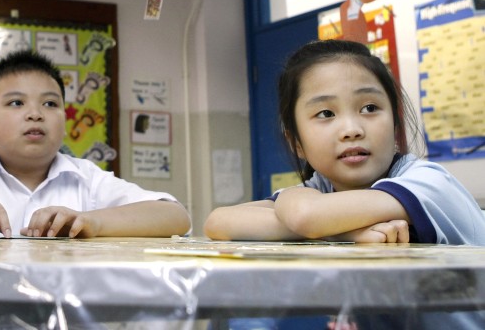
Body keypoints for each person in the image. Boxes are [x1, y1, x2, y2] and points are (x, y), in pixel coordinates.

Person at [205, 39, 485, 244]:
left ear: (395, 123)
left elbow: (306, 215)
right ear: (296, 143)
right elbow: (219, 222)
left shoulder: (429, 183)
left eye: (370, 108)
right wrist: (348, 231)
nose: (351, 130)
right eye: (326, 113)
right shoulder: (325, 188)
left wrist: (307, 215)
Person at [0, 49, 191, 238]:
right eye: (16, 103)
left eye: (50, 103)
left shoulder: (86, 180)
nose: (35, 113)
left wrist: (93, 222)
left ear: (65, 120)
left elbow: (176, 218)